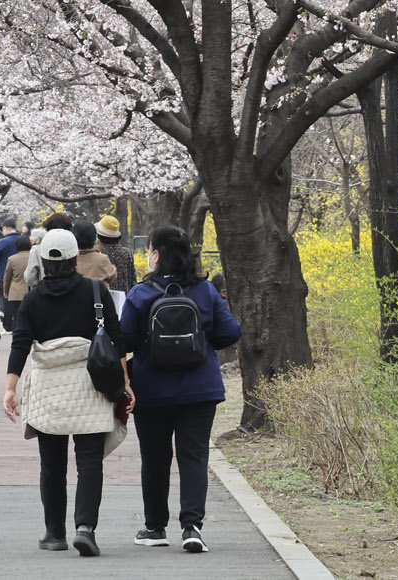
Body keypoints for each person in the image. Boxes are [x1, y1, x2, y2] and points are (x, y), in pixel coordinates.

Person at [4, 229, 130, 558]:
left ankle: (54, 533)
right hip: (90, 384)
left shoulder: (32, 299)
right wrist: (125, 383)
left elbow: (20, 343)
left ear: (43, 260)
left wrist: (10, 387)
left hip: (49, 388)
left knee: (52, 464)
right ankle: (85, 528)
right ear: (76, 258)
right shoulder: (95, 292)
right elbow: (117, 340)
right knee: (90, 462)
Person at [120, 225, 242, 553]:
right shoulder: (204, 291)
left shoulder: (141, 293)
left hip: (151, 389)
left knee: (155, 458)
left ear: (156, 255)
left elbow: (125, 339)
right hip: (199, 389)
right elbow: (230, 334)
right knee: (194, 457)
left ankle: (155, 527)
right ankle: (192, 528)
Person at [72, 217, 118, 286]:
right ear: (94, 238)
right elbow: (113, 277)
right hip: (97, 296)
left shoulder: (70, 259)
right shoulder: (102, 259)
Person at [3, 234, 35, 331]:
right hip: (32, 291)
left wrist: (6, 290)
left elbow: (7, 277)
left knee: (17, 319)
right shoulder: (34, 257)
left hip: (15, 293)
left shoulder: (12, 259)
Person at [97, 216, 137, 291]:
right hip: (124, 299)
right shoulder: (126, 253)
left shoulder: (98, 253)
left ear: (99, 237)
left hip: (103, 298)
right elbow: (132, 280)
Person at [0, 219, 24, 285]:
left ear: (5, 228)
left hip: (5, 274)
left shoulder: (3, 241)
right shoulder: (22, 238)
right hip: (21, 274)